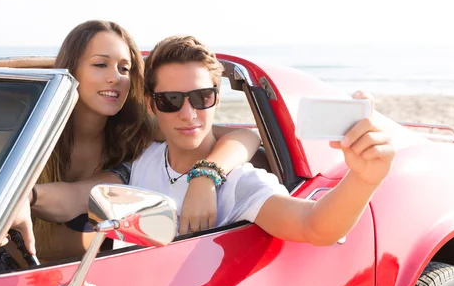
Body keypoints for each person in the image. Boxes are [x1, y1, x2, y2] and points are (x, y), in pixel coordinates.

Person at [10, 21, 261, 262]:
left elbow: (246, 135)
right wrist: (18, 200)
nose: (115, 78)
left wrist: (205, 176)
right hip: (15, 274)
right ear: (71, 69)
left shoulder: (137, 133)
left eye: (124, 69)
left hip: (86, 281)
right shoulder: (29, 130)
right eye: (100, 64)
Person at [128, 35, 396, 244]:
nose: (188, 114)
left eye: (201, 97)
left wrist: (364, 179)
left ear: (217, 99)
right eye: (170, 100)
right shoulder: (144, 158)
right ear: (152, 105)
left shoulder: (239, 183)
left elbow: (314, 225)